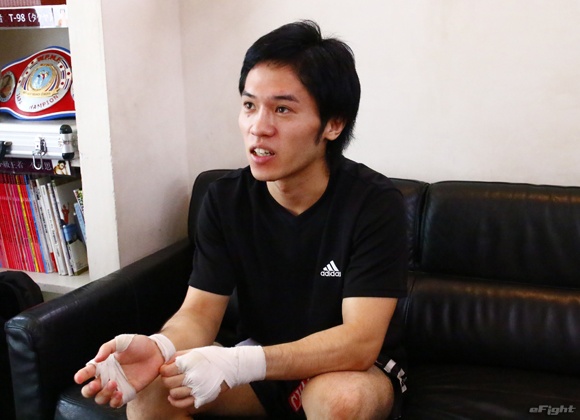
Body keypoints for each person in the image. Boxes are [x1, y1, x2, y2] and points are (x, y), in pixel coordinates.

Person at [74, 20, 408, 419]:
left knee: (341, 400)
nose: (258, 127)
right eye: (250, 105)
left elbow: (359, 342)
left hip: (347, 370)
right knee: (151, 390)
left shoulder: (374, 203)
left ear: (333, 124)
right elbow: (200, 313)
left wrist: (236, 364)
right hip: (259, 363)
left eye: (282, 109)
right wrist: (161, 346)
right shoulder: (225, 199)